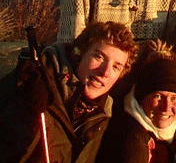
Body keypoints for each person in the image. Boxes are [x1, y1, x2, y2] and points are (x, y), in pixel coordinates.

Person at [0, 21, 138, 163]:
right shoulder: (31, 85)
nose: (105, 72)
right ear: (78, 54)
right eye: (99, 57)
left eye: (116, 67)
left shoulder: (103, 114)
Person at [95, 51, 176, 163]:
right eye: (158, 96)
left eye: (175, 98)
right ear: (141, 96)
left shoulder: (159, 134)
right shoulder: (132, 139)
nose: (166, 107)